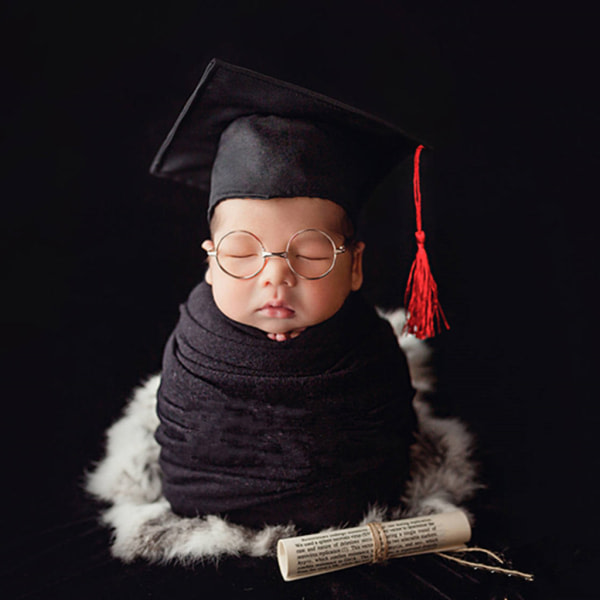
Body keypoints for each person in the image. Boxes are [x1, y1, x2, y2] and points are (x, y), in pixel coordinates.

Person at [149, 58, 440, 533]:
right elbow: (185, 447)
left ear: (355, 267)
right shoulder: (192, 348)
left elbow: (389, 440)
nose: (276, 277)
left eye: (310, 254)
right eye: (241, 253)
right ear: (209, 263)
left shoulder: (368, 347)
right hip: (207, 503)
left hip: (353, 505)